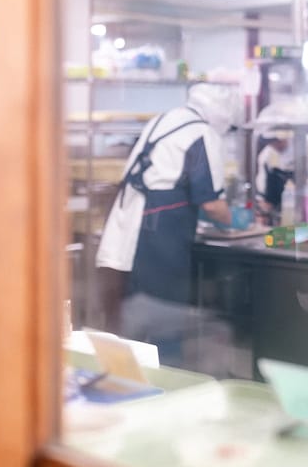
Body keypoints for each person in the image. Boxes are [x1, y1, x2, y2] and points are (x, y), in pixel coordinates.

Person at [95, 82, 238, 350]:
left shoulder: (165, 120)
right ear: (221, 115)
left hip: (132, 225)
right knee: (164, 316)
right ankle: (166, 370)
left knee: (135, 320)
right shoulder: (201, 132)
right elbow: (211, 204)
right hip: (160, 232)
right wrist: (238, 222)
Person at [255, 128, 308, 223]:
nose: (276, 145)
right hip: (281, 215)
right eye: (272, 142)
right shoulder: (267, 154)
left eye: (279, 141)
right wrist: (265, 208)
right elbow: (263, 189)